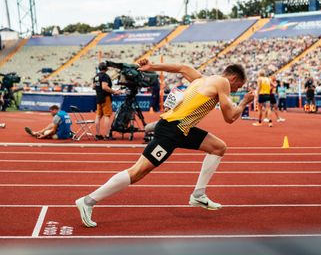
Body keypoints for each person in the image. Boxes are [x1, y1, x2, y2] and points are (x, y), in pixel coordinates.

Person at [75, 59, 253, 228]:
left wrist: (152, 66)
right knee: (137, 172)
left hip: (182, 128)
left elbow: (181, 67)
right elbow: (229, 118)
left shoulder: (201, 79)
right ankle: (88, 201)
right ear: (234, 78)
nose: (236, 89)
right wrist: (244, 102)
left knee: (218, 147)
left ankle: (198, 194)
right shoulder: (223, 83)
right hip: (171, 130)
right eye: (239, 86)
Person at [92, 62, 122, 140]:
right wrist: (114, 92)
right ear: (106, 68)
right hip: (105, 98)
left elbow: (93, 87)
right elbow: (104, 87)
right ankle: (107, 135)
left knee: (98, 116)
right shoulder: (104, 76)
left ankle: (98, 135)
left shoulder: (96, 76)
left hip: (98, 97)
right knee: (107, 116)